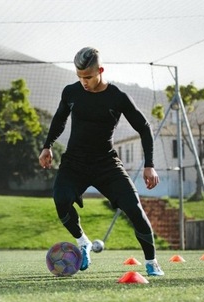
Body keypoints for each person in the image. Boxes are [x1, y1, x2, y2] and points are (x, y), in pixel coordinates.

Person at [39, 47, 164, 276]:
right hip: (74, 162)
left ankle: (152, 262)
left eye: (88, 77)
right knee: (61, 199)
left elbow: (144, 128)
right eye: (79, 76)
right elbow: (59, 120)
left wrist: (149, 164)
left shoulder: (117, 97)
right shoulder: (71, 93)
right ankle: (83, 242)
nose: (84, 82)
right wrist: (47, 146)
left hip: (106, 164)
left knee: (135, 209)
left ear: (100, 71)